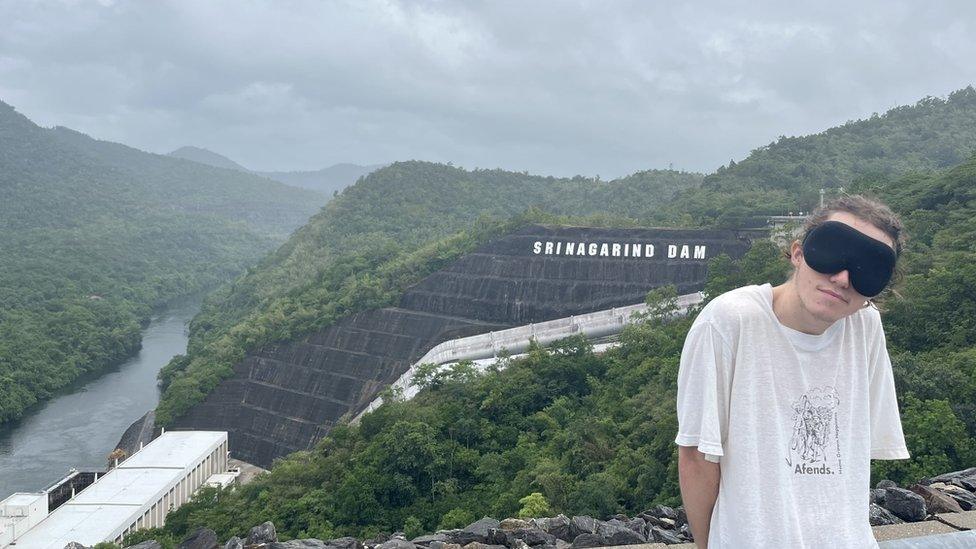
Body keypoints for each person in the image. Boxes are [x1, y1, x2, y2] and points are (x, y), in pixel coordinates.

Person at [674, 195, 911, 548]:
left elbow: (851, 454)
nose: (843, 277)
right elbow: (695, 455)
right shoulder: (728, 321)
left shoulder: (865, 327)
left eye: (868, 268)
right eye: (832, 252)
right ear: (798, 252)